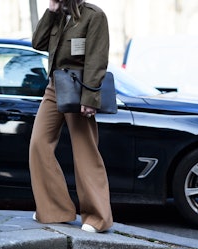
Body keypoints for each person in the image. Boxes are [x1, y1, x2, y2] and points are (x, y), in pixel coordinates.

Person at [29, 0, 113, 233]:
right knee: (38, 144)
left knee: (85, 151)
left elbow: (97, 58)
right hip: (55, 87)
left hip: (78, 88)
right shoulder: (57, 14)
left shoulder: (94, 15)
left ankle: (97, 217)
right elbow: (38, 42)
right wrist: (50, 11)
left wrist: (90, 98)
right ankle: (55, 209)